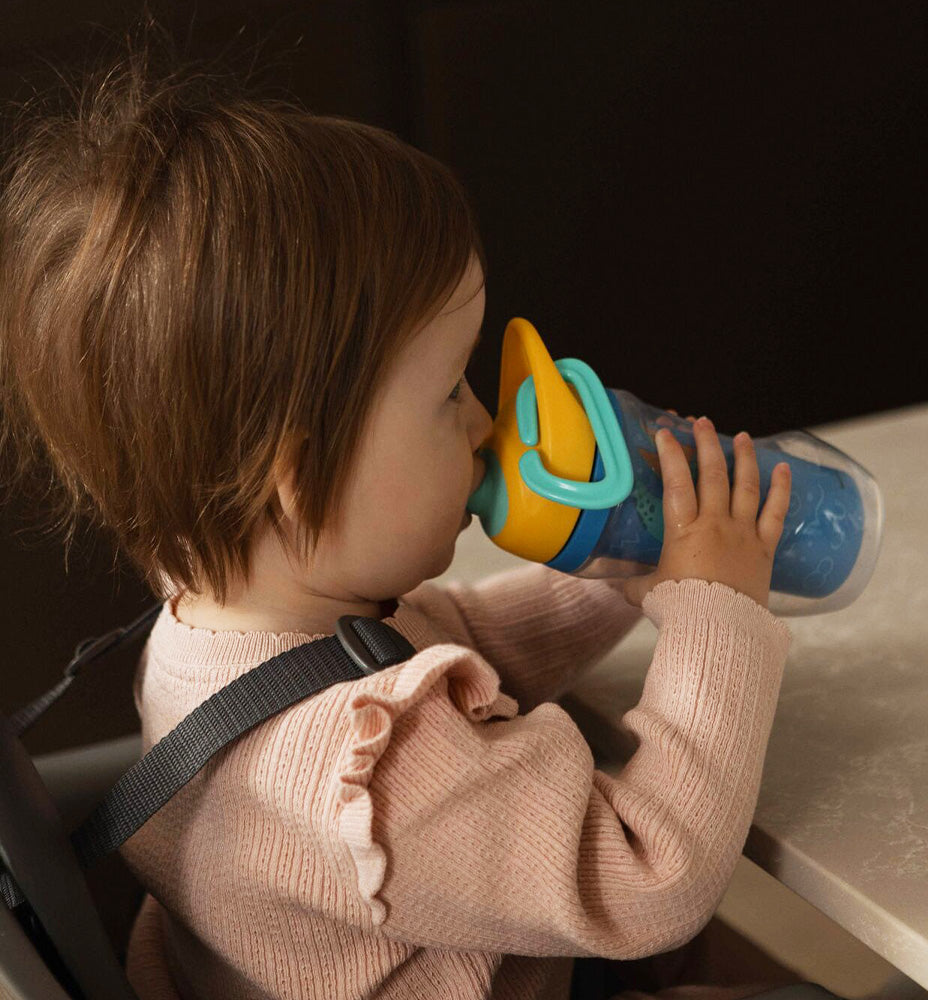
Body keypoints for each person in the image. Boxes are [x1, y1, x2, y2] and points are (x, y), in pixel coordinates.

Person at [0, 17, 812, 1000]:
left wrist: (626, 563)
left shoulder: (230, 613)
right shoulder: (367, 775)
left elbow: (453, 637)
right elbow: (648, 872)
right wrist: (714, 614)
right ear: (298, 478)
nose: (483, 421)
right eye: (447, 397)